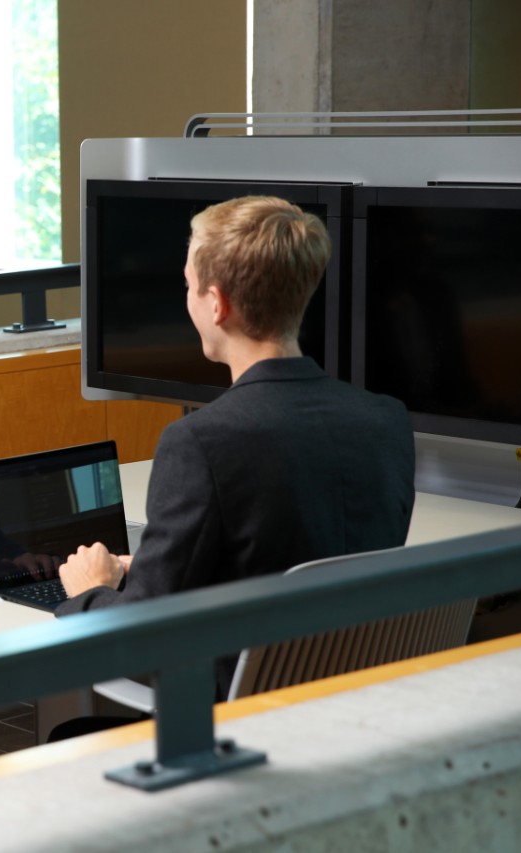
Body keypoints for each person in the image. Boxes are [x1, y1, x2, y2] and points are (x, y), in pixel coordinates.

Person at [56, 196, 416, 705]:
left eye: (189, 286)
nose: (188, 300)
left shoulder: (199, 442)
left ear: (217, 303)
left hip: (242, 719)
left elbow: (139, 635)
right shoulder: (387, 421)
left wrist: (90, 590)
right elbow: (305, 557)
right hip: (349, 704)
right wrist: (154, 565)